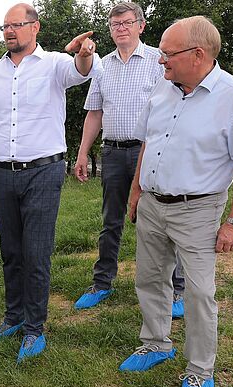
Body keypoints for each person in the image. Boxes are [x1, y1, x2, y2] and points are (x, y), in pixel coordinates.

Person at [120, 16, 233, 387]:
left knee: (199, 293)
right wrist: (136, 193)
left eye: (167, 54)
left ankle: (200, 369)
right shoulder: (162, 92)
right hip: (152, 204)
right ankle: (155, 344)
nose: (160, 61)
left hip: (198, 209)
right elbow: (150, 145)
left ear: (197, 55)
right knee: (149, 278)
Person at [0, 3, 101, 362]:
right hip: (0, 173)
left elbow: (82, 71)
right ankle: (13, 317)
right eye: (5, 26)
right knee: (10, 251)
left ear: (35, 27)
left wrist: (85, 54)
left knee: (36, 253)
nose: (10, 31)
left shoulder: (56, 64)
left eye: (17, 25)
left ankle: (34, 328)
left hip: (43, 172)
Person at [71, 1, 187, 316]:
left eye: (126, 22)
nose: (121, 28)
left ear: (140, 26)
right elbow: (94, 113)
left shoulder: (158, 61)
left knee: (161, 221)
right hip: (113, 152)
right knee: (111, 220)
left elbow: (177, 106)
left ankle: (177, 290)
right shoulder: (101, 65)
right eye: (115, 24)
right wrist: (82, 153)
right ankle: (102, 283)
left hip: (150, 151)